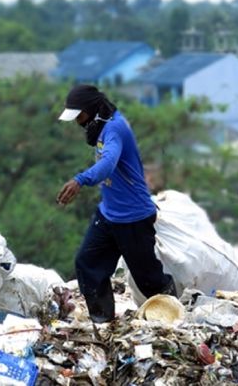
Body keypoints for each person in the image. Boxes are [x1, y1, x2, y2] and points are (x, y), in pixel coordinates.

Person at [56, 84, 176, 323]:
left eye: (79, 116)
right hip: (109, 215)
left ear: (92, 110)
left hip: (133, 217)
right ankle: (102, 320)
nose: (78, 122)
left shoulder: (115, 128)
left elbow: (108, 163)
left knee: (149, 279)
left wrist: (80, 180)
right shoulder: (102, 128)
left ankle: (175, 317)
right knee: (87, 263)